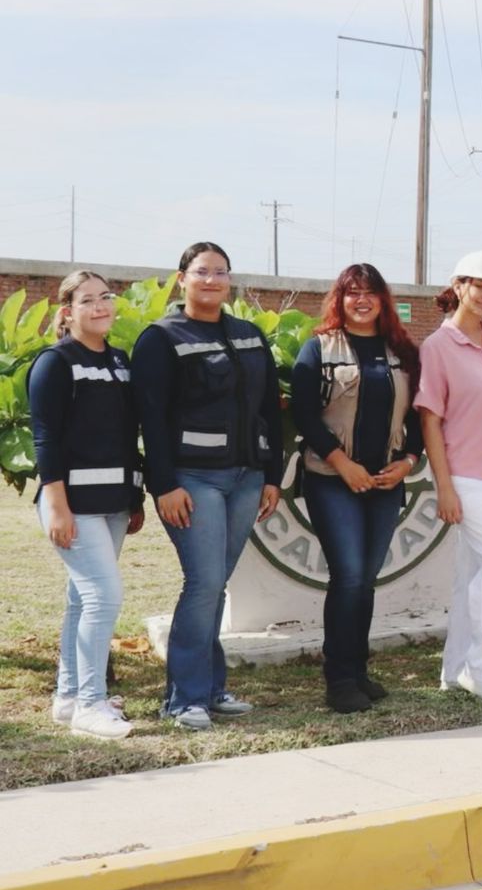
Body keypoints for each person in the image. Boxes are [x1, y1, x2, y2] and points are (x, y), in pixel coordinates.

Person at [132, 241, 283, 730]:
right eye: (202, 272)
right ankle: (184, 698)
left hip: (246, 478)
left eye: (221, 272)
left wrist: (272, 475)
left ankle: (212, 689)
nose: (212, 280)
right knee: (203, 584)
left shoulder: (248, 334)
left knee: (216, 583)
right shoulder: (161, 338)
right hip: (192, 478)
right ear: (182, 279)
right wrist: (164, 485)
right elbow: (150, 418)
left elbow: (267, 410)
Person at [290, 263, 423, 713]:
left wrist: (407, 462)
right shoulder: (318, 348)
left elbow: (417, 419)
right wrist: (342, 464)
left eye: (370, 292)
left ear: (384, 299)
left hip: (386, 480)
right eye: (352, 293)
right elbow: (305, 415)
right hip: (334, 480)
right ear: (339, 299)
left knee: (365, 581)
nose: (361, 300)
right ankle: (339, 679)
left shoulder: (402, 352)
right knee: (347, 577)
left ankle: (358, 669)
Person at [28, 270, 144, 739]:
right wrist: (56, 506)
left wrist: (134, 498)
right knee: (103, 596)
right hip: (72, 504)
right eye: (88, 300)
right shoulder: (55, 363)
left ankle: (69, 696)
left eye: (106, 297)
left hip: (114, 500)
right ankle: (92, 705)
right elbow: (45, 438)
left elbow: (123, 436)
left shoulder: (120, 360)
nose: (100, 307)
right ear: (67, 312)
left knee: (81, 599)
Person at [415, 250, 482, 705]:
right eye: (479, 285)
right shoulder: (436, 347)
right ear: (458, 286)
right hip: (464, 477)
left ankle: (455, 666)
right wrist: (444, 486)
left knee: (473, 574)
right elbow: (430, 422)